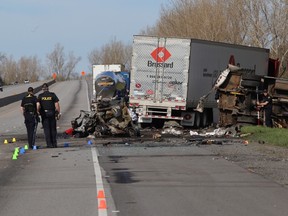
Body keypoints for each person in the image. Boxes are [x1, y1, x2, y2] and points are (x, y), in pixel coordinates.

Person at [37, 83, 60, 148]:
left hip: (44, 114)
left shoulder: (40, 96)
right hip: (52, 113)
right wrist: (57, 113)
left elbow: (38, 105)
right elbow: (57, 104)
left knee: (46, 129)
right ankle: (54, 144)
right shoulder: (52, 95)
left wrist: (37, 112)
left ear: (42, 89)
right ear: (48, 88)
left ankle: (49, 144)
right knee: (53, 129)